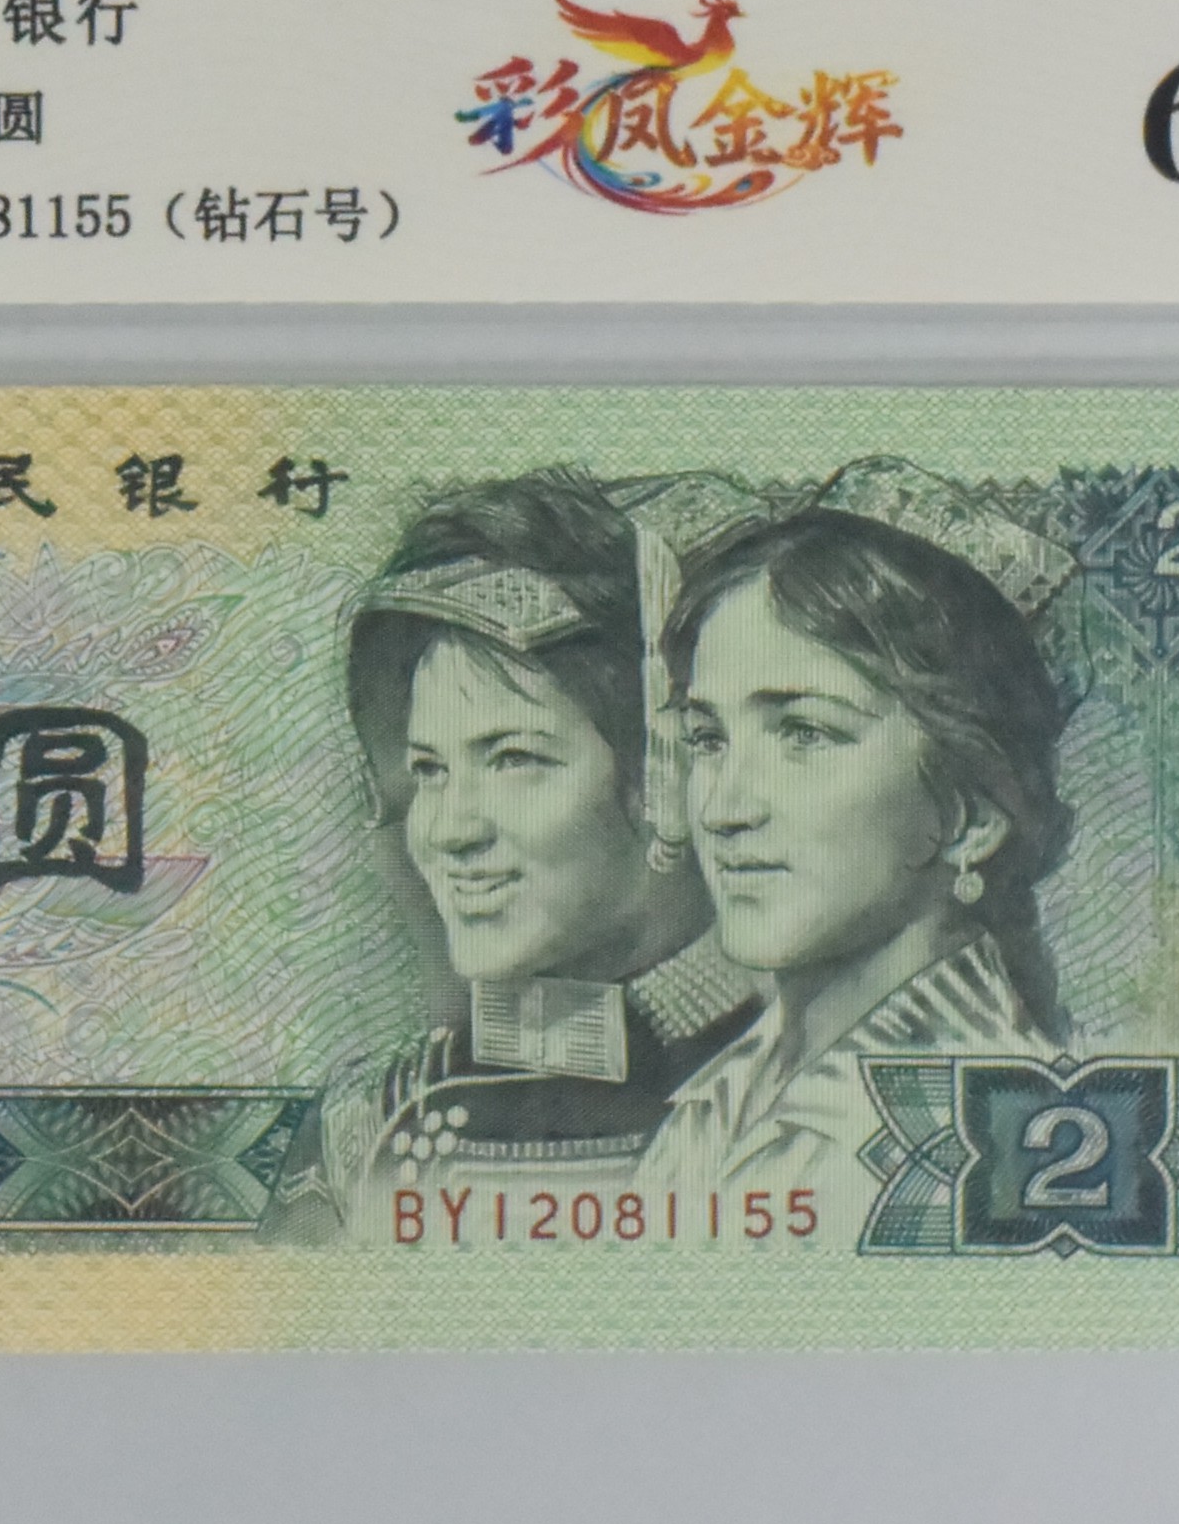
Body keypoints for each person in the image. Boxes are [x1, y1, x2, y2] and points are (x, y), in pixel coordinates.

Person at [262, 469, 764, 1241]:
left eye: (512, 759)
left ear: (665, 774)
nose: (448, 830)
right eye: (429, 771)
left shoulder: (821, 1090)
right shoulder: (366, 1128)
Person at [633, 489, 1075, 1219]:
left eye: (804, 734)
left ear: (968, 816)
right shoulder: (719, 1100)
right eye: (708, 740)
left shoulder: (1000, 1139)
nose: (721, 810)